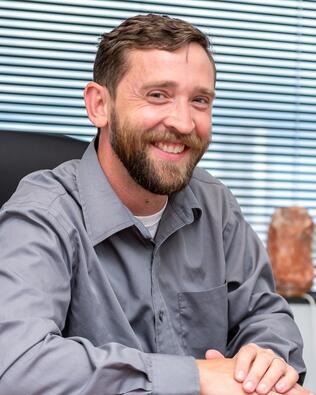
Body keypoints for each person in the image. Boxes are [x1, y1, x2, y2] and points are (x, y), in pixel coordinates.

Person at [0, 13, 312, 395]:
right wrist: (198, 378)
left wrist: (263, 362)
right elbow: (17, 365)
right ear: (99, 105)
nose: (183, 123)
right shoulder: (43, 214)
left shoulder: (217, 206)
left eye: (200, 100)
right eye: (157, 95)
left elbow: (266, 316)